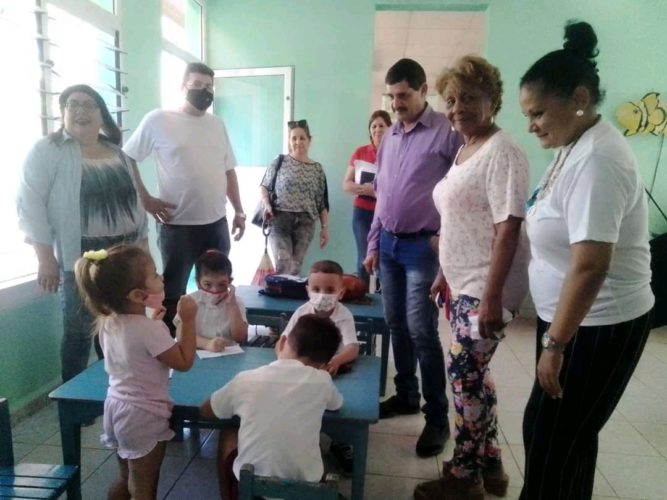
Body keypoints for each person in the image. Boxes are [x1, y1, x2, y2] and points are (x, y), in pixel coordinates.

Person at [518, 21, 654, 499]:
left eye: (536, 113)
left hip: (598, 324)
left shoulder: (599, 159)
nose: (530, 124)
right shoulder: (574, 145)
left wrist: (555, 345)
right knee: (560, 437)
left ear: (578, 97)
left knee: (553, 440)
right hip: (569, 320)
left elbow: (592, 264)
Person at [414, 56, 530, 500]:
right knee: (476, 376)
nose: (458, 107)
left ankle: (465, 478)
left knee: (463, 374)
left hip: (486, 288)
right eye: (451, 99)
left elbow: (508, 226)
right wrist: (445, 270)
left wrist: (492, 297)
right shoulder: (465, 149)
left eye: (469, 98)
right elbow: (462, 218)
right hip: (462, 281)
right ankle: (493, 464)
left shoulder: (503, 151)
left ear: (493, 101)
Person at [16, 84, 149, 382]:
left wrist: (145, 256)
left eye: (89, 105)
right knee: (79, 331)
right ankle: (73, 403)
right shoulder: (46, 151)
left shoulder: (119, 154)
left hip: (124, 257)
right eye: (72, 104)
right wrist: (44, 257)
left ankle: (120, 388)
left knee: (122, 327)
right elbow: (30, 204)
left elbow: (136, 205)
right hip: (80, 261)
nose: (80, 110)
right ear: (62, 113)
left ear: (102, 114)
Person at [363, 58, 462, 457]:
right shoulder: (390, 138)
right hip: (388, 244)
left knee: (422, 331)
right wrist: (372, 244)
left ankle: (436, 418)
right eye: (392, 96)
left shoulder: (447, 135)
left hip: (424, 247)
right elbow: (382, 196)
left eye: (403, 95)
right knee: (394, 324)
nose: (396, 103)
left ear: (424, 90)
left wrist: (446, 244)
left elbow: (459, 195)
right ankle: (406, 394)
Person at [123, 62, 246, 333]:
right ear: (183, 87)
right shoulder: (159, 120)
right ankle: (168, 347)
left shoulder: (217, 125)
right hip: (177, 225)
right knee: (172, 292)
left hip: (216, 222)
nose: (205, 91)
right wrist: (145, 198)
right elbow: (128, 156)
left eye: (209, 87)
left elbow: (228, 171)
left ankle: (209, 340)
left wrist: (238, 211)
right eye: (198, 85)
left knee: (216, 288)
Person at [73, 245, 197, 499]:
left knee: (126, 478)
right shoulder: (150, 330)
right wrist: (189, 320)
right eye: (154, 275)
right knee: (143, 489)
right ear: (139, 295)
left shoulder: (109, 322)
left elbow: (135, 351)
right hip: (142, 415)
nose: (161, 278)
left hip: (116, 407)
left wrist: (154, 323)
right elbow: (184, 361)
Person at [200, 314, 343, 500]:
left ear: (282, 342)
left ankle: (229, 496)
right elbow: (337, 404)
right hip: (307, 489)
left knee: (228, 432)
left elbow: (206, 411)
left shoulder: (246, 379)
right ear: (324, 364)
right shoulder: (323, 381)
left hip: (253, 488)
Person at [260, 119, 329, 275]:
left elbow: (322, 202)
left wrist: (325, 229)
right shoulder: (279, 161)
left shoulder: (317, 169)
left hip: (306, 223)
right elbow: (264, 186)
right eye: (294, 138)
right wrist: (267, 205)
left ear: (309, 140)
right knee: (282, 264)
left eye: (302, 138)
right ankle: (279, 296)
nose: (298, 142)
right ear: (290, 141)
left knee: (295, 268)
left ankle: (289, 297)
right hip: (279, 219)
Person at [342, 110, 392, 289]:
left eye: (381, 125)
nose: (378, 129)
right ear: (370, 130)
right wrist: (366, 189)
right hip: (362, 212)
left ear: (390, 128)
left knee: (383, 256)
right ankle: (360, 296)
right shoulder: (360, 152)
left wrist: (377, 191)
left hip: (386, 214)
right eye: (374, 126)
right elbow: (346, 185)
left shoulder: (395, 152)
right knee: (364, 255)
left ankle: (382, 299)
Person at [174, 249, 248, 351]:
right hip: (196, 354)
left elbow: (240, 337)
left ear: (230, 282)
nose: (215, 290)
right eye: (208, 285)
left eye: (221, 284)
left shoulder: (236, 302)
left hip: (229, 355)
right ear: (198, 283)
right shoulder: (189, 302)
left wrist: (232, 305)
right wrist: (207, 344)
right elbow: (181, 336)